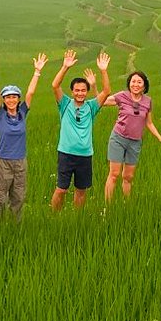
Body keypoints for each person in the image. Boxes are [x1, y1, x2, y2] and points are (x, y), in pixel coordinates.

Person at [0, 52, 47, 220]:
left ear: (18, 99)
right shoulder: (0, 114)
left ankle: (16, 227)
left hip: (20, 162)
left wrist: (37, 72)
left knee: (18, 198)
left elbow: (30, 93)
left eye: (14, 97)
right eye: (8, 97)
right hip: (3, 161)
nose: (11, 100)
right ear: (4, 100)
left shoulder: (23, 113)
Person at [50, 49, 111, 211]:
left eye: (83, 90)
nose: (80, 93)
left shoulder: (91, 106)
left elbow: (106, 92)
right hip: (66, 153)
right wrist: (65, 67)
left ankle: (78, 218)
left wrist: (103, 71)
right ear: (72, 91)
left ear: (87, 91)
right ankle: (53, 217)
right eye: (77, 90)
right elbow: (55, 85)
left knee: (81, 190)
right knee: (61, 189)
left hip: (85, 155)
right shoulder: (65, 104)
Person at [103, 71, 161, 203]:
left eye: (139, 82)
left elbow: (149, 123)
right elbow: (102, 101)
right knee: (114, 175)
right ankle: (107, 207)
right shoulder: (122, 96)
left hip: (135, 142)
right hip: (118, 138)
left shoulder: (147, 102)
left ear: (144, 86)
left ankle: (127, 204)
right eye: (133, 81)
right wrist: (94, 86)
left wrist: (160, 138)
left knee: (128, 177)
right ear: (129, 83)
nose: (135, 84)